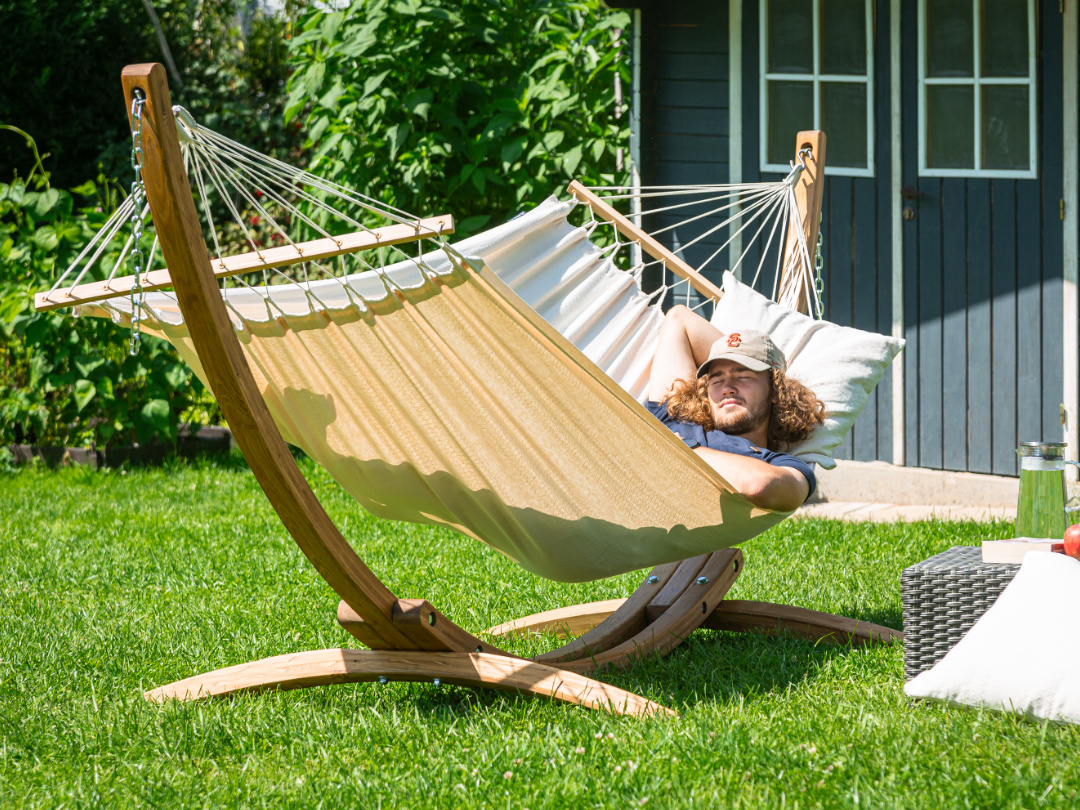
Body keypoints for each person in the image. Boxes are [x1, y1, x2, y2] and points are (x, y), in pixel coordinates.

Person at [648, 305, 826, 512]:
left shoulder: (777, 464)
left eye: (743, 377)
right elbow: (679, 318)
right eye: (716, 380)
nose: (727, 388)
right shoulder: (671, 415)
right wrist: (732, 351)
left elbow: (758, 485)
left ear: (777, 391)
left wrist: (680, 449)